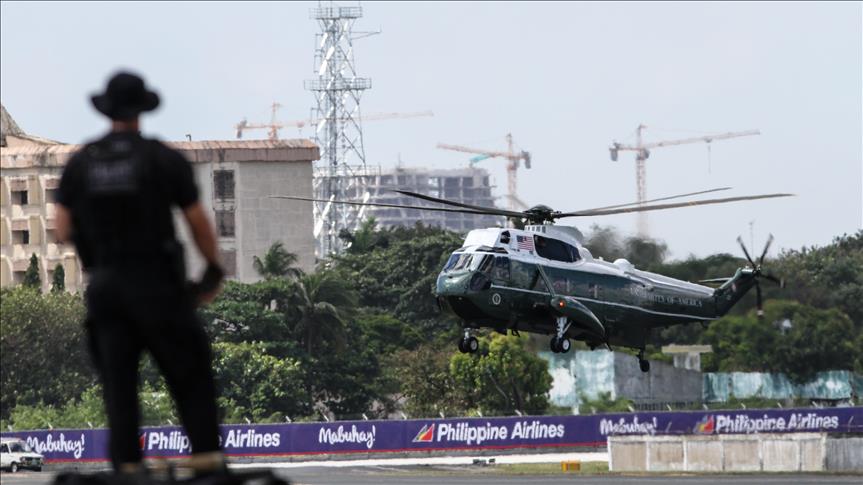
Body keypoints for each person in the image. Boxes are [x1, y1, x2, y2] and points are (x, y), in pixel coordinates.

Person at [55, 71, 227, 479]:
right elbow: (198, 222)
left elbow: (62, 229)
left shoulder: (82, 163)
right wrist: (212, 270)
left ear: (107, 110)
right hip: (158, 287)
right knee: (190, 373)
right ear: (141, 111)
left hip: (107, 289)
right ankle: (205, 457)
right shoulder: (162, 159)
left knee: (118, 385)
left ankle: (128, 466)